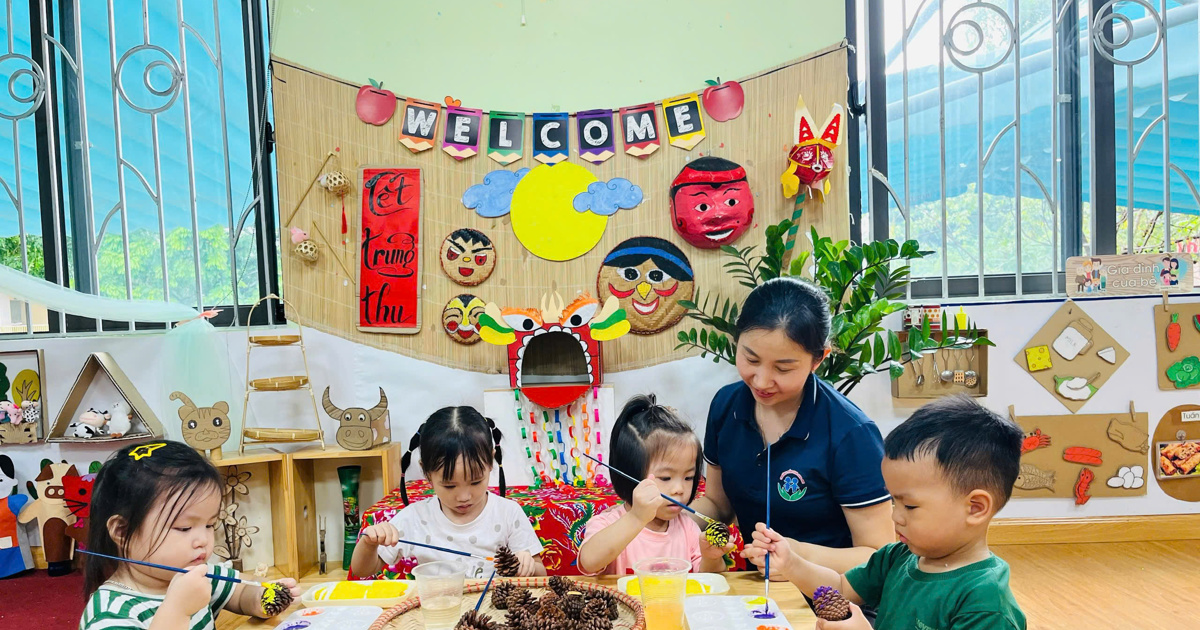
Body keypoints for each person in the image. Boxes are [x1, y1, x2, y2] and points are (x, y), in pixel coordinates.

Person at [745, 396, 1027, 630]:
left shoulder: (986, 604)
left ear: (975, 508)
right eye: (894, 502)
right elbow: (841, 588)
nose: (895, 517)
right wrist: (792, 563)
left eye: (910, 506)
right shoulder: (899, 557)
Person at [692, 277, 893, 580]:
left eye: (783, 368)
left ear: (818, 360)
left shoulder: (851, 433)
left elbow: (878, 557)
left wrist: (796, 557)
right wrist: (670, 517)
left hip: (834, 602)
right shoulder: (726, 406)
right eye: (750, 358)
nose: (760, 381)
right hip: (759, 593)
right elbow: (720, 507)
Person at [80, 441, 301, 630]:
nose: (203, 540)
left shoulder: (196, 574)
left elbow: (241, 595)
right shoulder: (110, 614)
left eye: (210, 525)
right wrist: (178, 610)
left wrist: (266, 600)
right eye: (184, 528)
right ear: (122, 531)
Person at [351, 406, 546, 579]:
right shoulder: (415, 518)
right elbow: (362, 570)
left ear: (490, 462)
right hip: (437, 612)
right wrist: (369, 543)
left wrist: (528, 566)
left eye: (476, 481)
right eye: (449, 486)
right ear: (427, 472)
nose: (463, 497)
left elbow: (541, 572)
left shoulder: (508, 513)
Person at [576, 395, 734, 575]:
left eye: (688, 477)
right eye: (666, 478)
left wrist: (711, 558)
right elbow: (589, 562)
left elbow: (706, 579)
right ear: (630, 476)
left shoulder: (687, 527)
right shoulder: (607, 523)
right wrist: (637, 517)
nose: (679, 489)